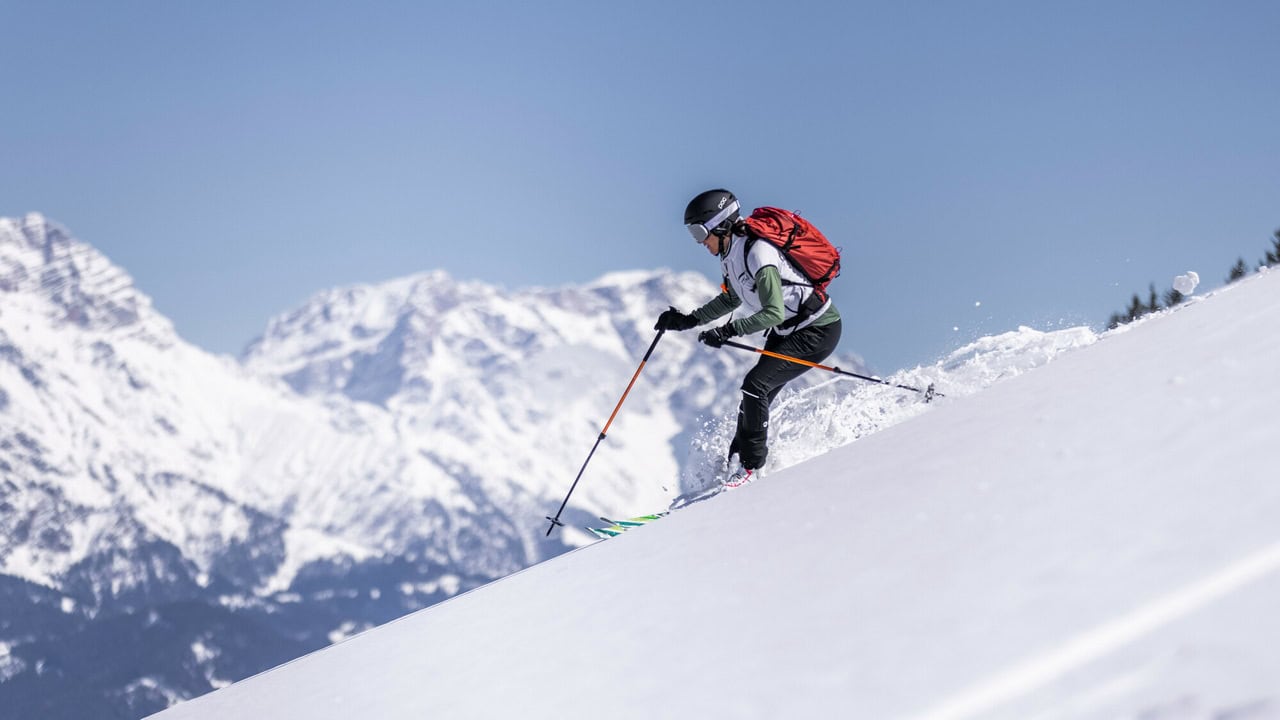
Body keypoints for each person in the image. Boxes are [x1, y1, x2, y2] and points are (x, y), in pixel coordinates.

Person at [655, 189, 843, 486]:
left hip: (817, 330)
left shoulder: (758, 253)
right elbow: (731, 299)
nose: (700, 241)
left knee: (755, 386)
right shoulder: (731, 253)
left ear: (719, 224)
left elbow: (773, 313)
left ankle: (751, 469)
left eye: (699, 231)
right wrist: (687, 321)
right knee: (753, 399)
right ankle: (733, 467)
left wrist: (728, 330)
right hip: (788, 331)